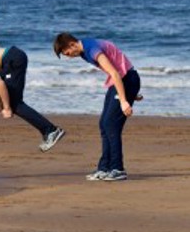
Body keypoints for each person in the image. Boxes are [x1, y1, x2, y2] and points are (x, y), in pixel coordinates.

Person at [54, 33, 141, 181]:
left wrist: (124, 100)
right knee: (104, 124)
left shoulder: (92, 49)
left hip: (125, 80)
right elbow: (117, 63)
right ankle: (104, 168)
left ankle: (118, 169)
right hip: (123, 81)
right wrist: (130, 92)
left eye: (67, 53)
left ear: (72, 44)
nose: (69, 57)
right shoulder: (84, 52)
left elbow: (114, 72)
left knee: (111, 125)